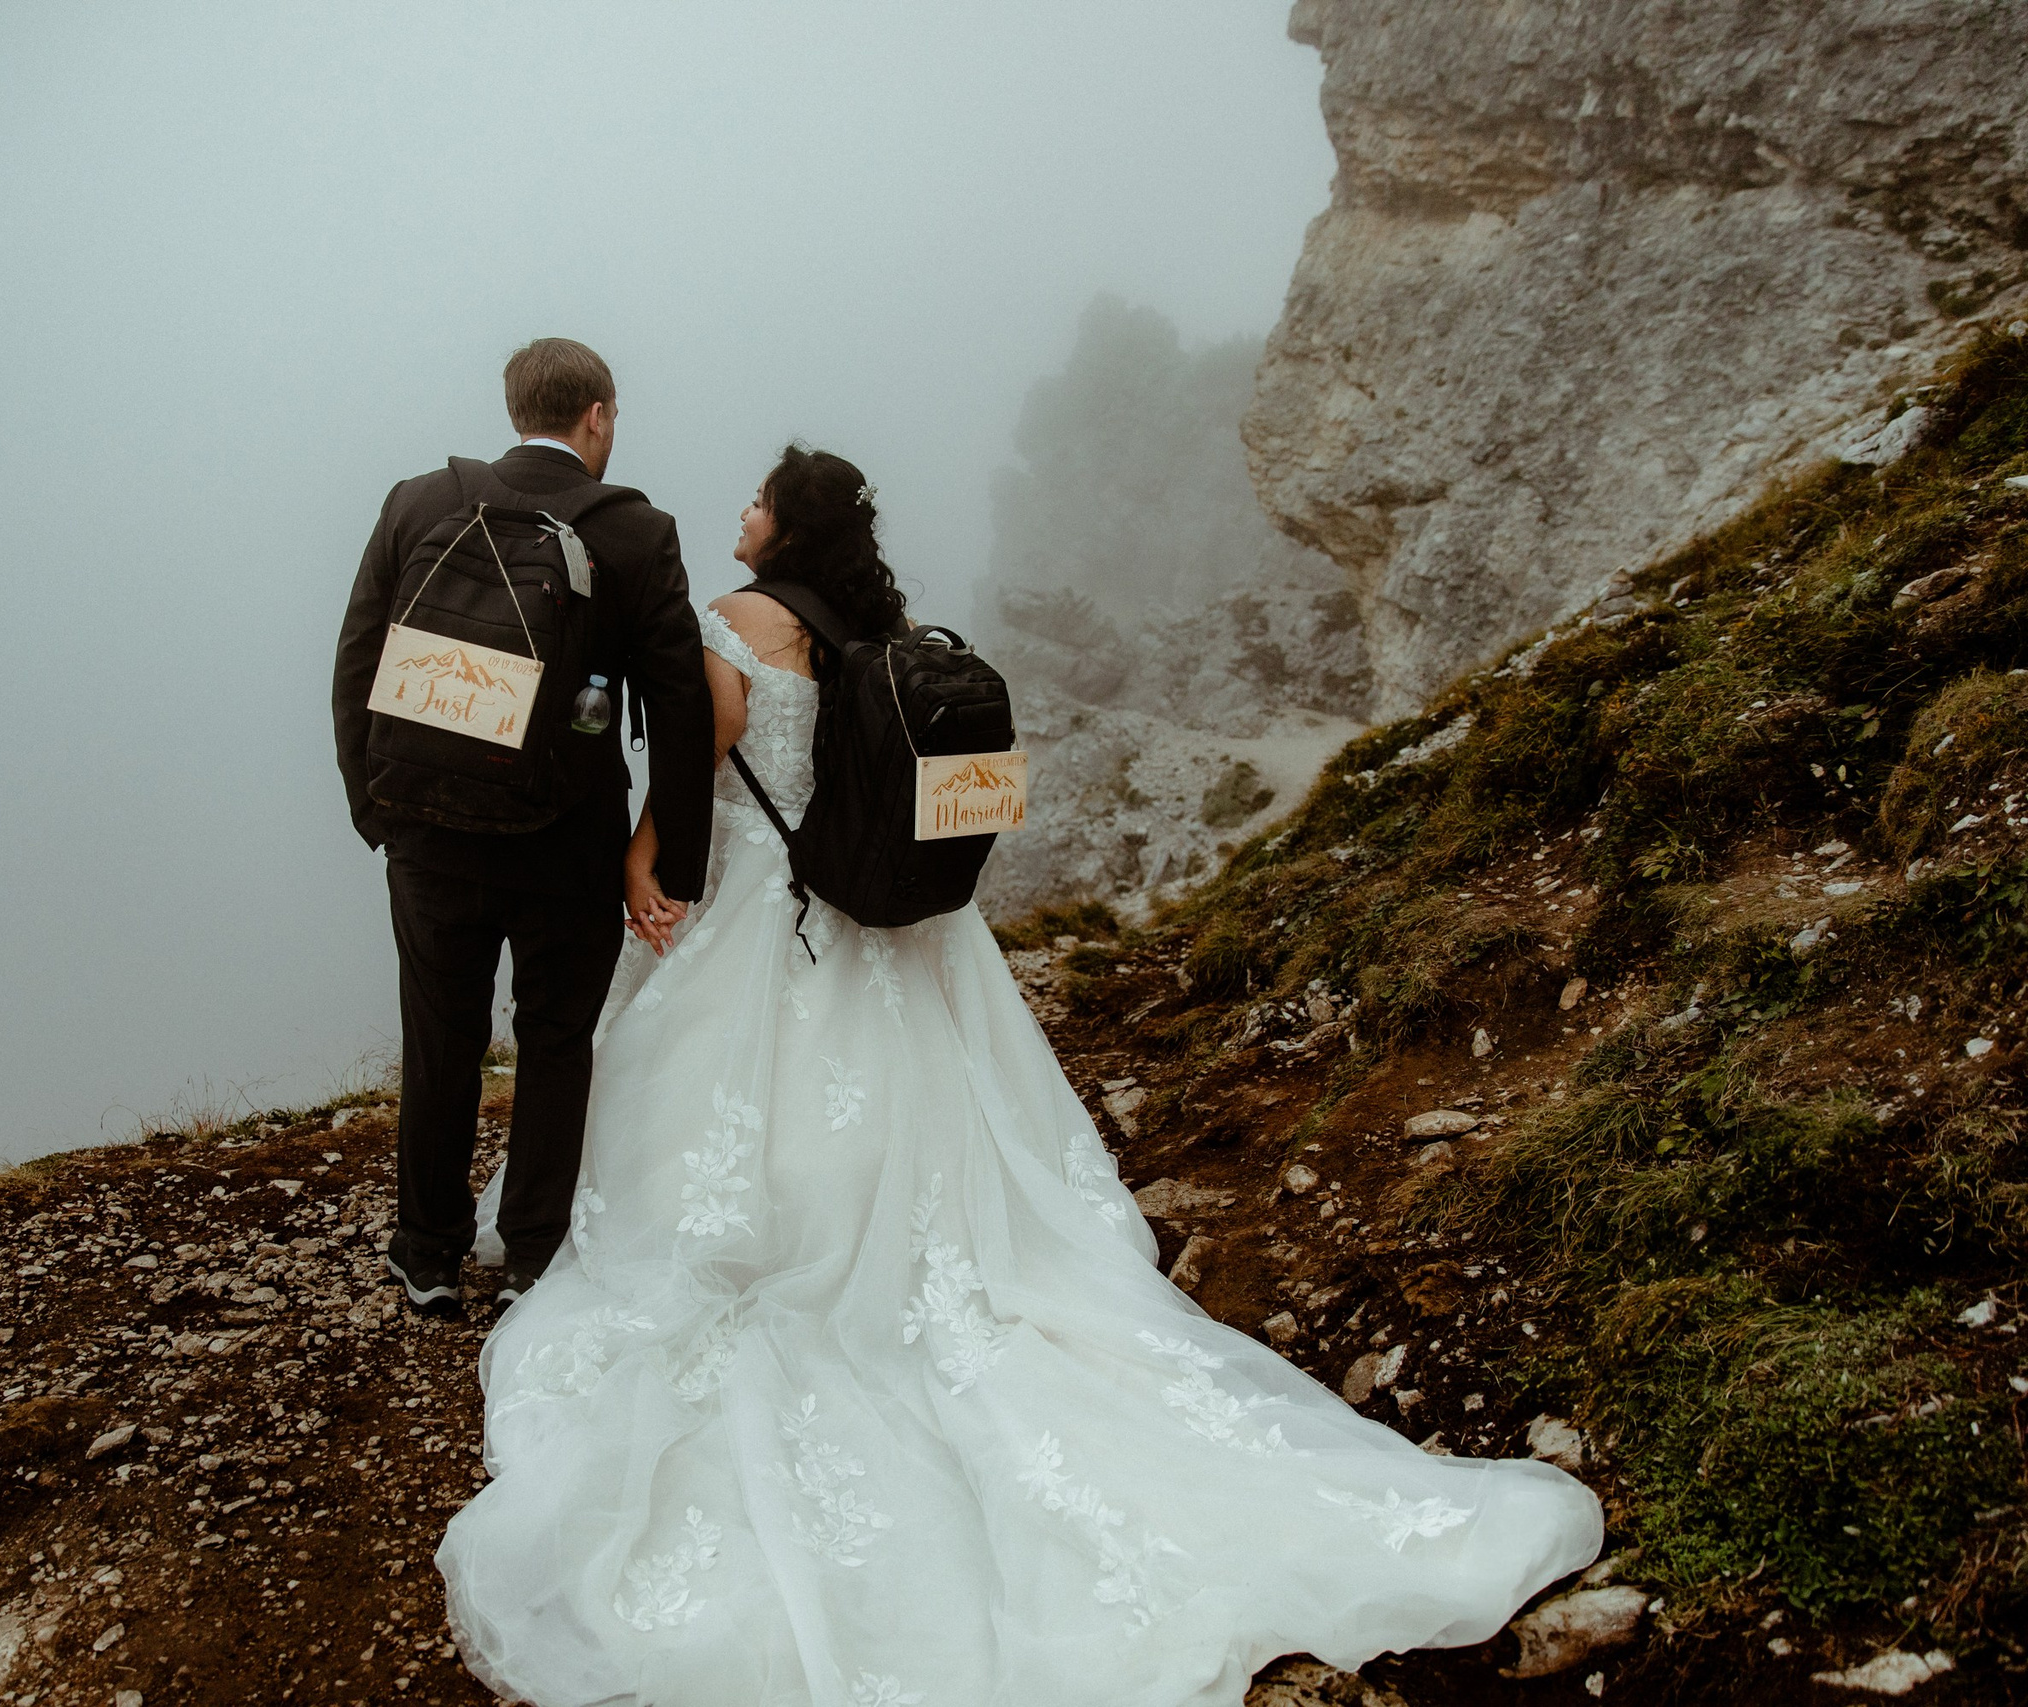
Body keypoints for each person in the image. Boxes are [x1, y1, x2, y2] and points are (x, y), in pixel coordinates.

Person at [435, 446, 1604, 1707]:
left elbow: (710, 747)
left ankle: (777, 1254)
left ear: (782, 526)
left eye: (755, 500)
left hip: (767, 903)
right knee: (913, 1100)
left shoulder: (737, 621)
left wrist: (639, 853)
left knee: (722, 1097)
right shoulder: (867, 623)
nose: (738, 513)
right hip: (883, 915)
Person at [331, 337, 713, 1317]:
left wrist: (375, 810)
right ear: (597, 416)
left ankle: (425, 1255)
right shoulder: (637, 534)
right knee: (553, 1042)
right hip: (567, 841)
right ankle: (532, 1261)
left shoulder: (419, 503)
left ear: (515, 411)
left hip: (425, 831)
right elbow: (678, 709)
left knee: (440, 1040)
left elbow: (359, 660)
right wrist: (678, 863)